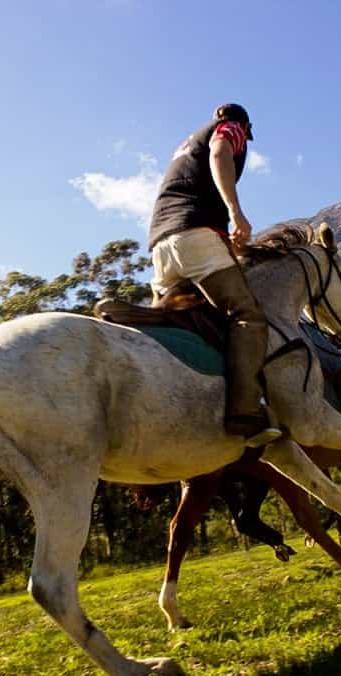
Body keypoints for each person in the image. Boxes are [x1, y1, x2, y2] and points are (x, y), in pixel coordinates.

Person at [148, 104, 282, 447]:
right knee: (247, 316)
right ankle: (244, 412)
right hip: (195, 232)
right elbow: (221, 153)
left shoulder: (186, 143)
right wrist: (236, 213)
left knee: (182, 321)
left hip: (160, 244)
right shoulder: (229, 129)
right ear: (246, 126)